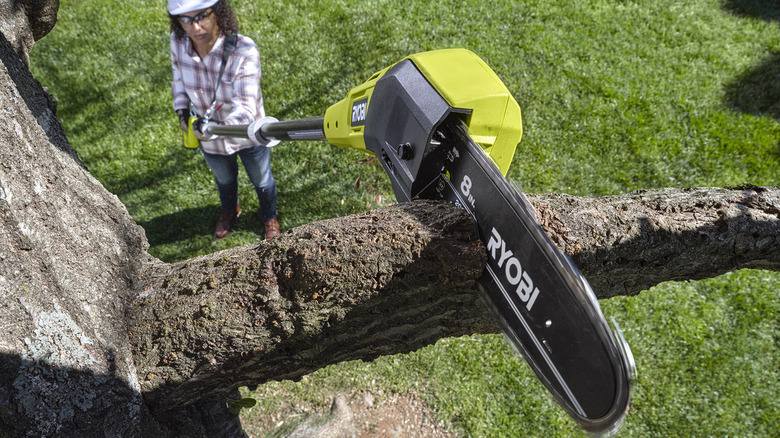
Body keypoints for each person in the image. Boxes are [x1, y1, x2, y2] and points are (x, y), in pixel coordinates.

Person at [167, 0, 280, 239]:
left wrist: (215, 128)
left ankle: (269, 217)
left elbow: (246, 106)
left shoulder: (243, 49)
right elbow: (178, 79)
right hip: (210, 141)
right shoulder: (178, 43)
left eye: (201, 16)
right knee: (224, 179)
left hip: (248, 136)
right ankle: (230, 210)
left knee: (262, 179)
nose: (195, 27)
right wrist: (182, 114)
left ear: (218, 12)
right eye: (185, 20)